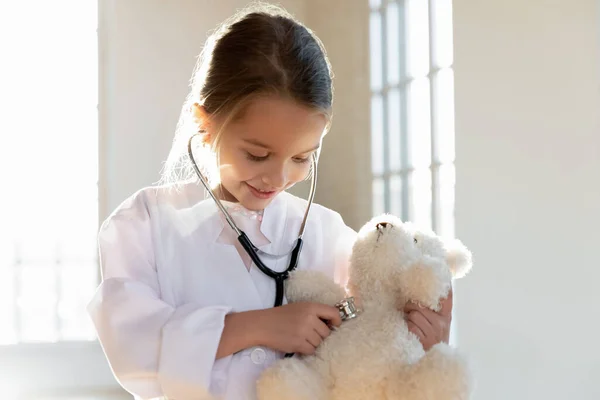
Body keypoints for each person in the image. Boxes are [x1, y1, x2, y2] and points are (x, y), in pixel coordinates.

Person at [87, 3, 453, 400]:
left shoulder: (326, 235)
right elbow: (133, 349)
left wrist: (425, 340)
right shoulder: (143, 226)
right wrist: (259, 326)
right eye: (257, 155)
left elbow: (371, 359)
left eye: (301, 158)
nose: (278, 179)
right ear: (205, 125)